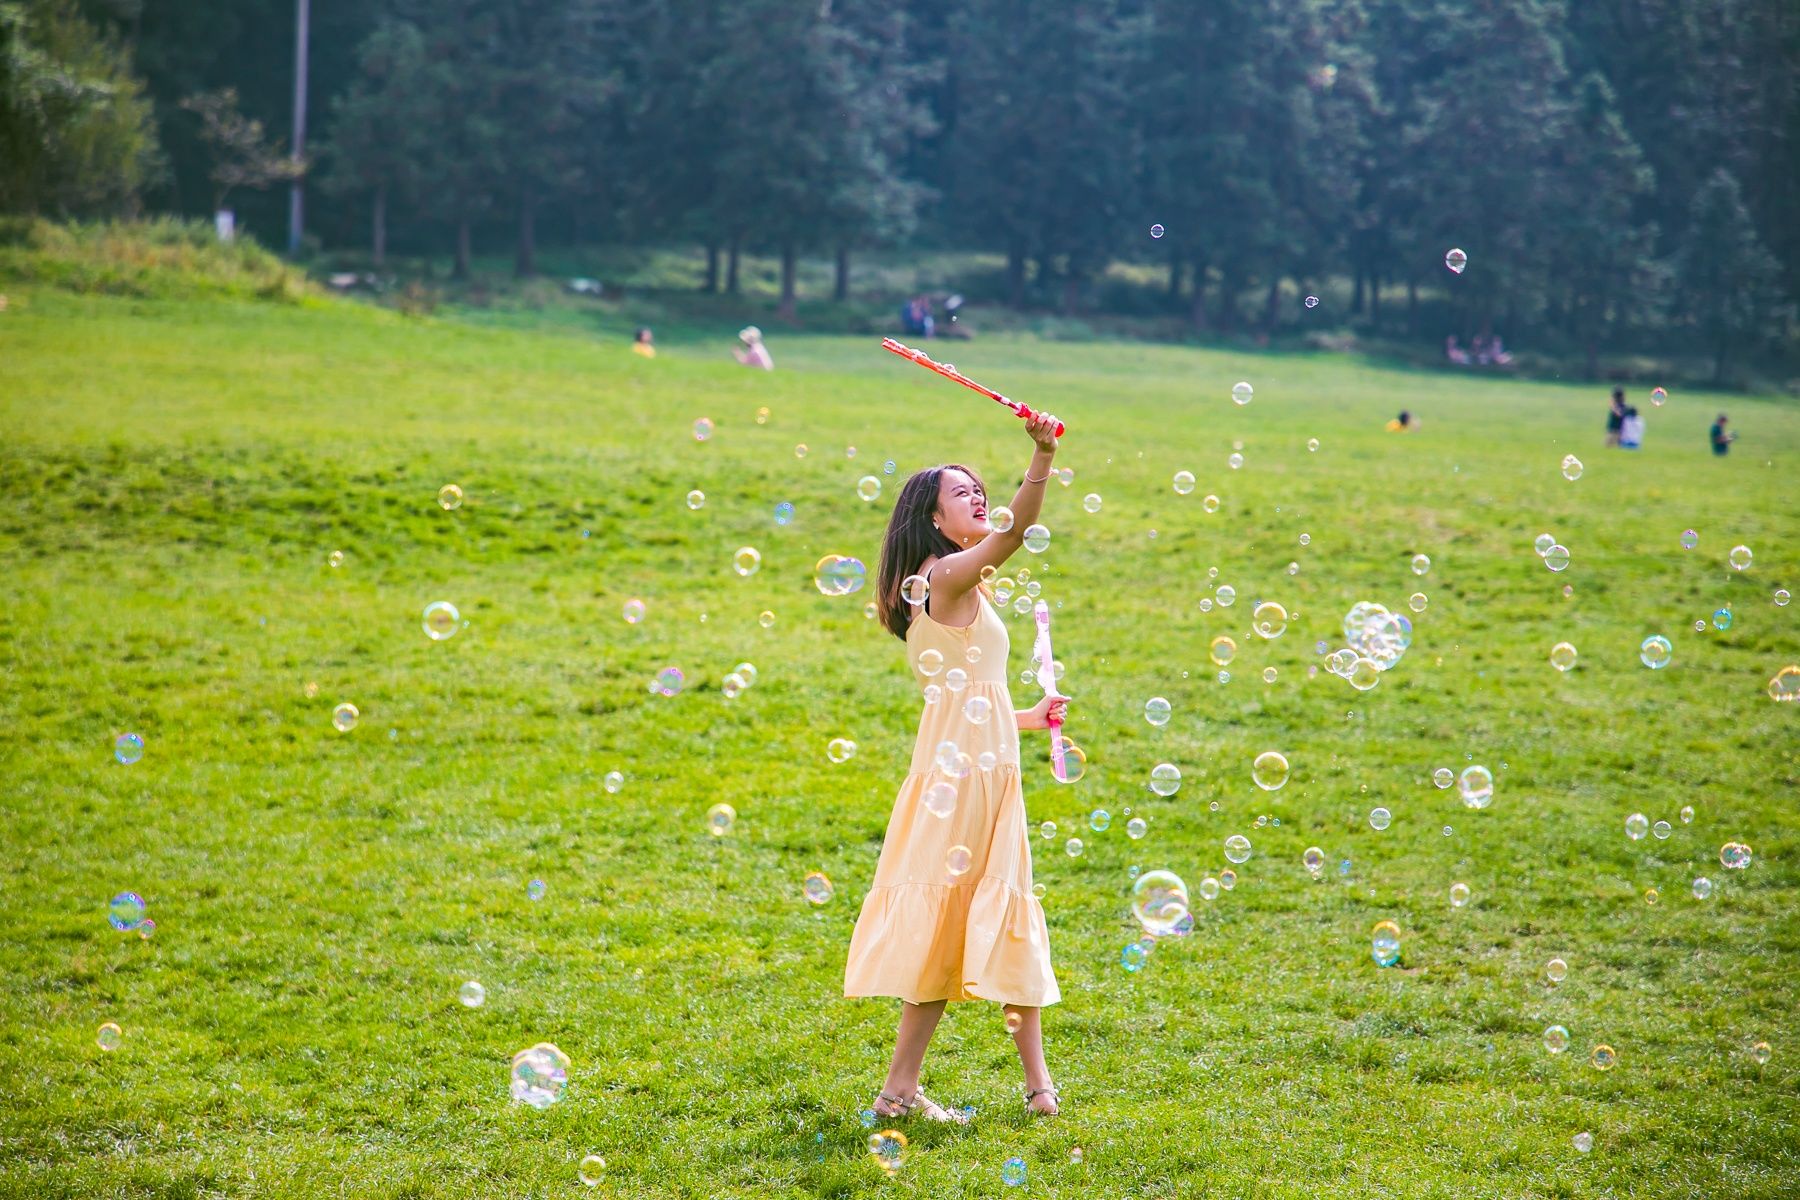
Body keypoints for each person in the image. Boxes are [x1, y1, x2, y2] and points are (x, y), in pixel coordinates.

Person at [848, 407, 1069, 1122]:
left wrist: (1028, 717)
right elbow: (1013, 535)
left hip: (977, 769)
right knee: (977, 918)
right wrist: (1041, 456)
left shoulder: (943, 582)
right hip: (966, 781)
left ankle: (1024, 1090)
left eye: (981, 487)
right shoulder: (945, 575)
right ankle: (906, 1091)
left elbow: (967, 694)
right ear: (936, 521)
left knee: (996, 914)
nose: (979, 497)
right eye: (963, 493)